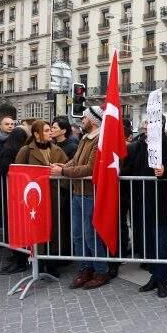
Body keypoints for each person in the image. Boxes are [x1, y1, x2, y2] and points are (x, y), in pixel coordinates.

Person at [50, 106, 109, 290]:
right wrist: (63, 165)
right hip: (77, 192)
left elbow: (91, 169)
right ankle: (85, 268)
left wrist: (63, 171)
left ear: (92, 121)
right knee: (77, 235)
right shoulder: (85, 138)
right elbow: (76, 161)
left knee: (90, 235)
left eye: (84, 118)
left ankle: (101, 270)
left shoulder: (99, 139)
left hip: (90, 194)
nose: (81, 120)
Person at [123, 115, 167, 298]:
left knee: (160, 241)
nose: (148, 126)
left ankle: (162, 280)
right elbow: (130, 168)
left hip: (161, 200)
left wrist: (165, 171)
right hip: (142, 199)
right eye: (147, 123)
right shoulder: (139, 144)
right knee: (149, 241)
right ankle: (154, 275)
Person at [15, 120, 69, 277]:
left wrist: (61, 180)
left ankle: (51, 263)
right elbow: (18, 174)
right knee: (36, 229)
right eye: (46, 130)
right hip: (34, 199)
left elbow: (67, 171)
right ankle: (37, 262)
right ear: (36, 134)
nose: (50, 132)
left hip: (54, 197)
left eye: (50, 129)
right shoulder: (26, 150)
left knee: (54, 229)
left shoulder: (58, 150)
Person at [0, 127, 30, 274]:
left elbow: (3, 169)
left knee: (13, 227)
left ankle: (19, 260)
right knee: (16, 226)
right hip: (15, 192)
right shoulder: (18, 150)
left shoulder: (9, 150)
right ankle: (18, 257)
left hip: (11, 192)